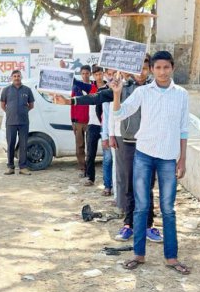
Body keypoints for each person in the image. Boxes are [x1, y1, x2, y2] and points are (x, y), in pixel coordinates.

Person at [55, 59, 158, 243]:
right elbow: (97, 97)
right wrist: (71, 101)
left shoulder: (156, 88)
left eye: (144, 69)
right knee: (127, 184)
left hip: (150, 143)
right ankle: (129, 225)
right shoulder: (123, 87)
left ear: (150, 69)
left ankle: (149, 225)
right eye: (137, 68)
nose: (141, 73)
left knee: (147, 186)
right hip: (127, 142)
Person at [111, 51, 189, 274]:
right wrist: (117, 94)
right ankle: (138, 254)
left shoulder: (181, 94)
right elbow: (120, 114)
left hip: (168, 158)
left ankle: (171, 257)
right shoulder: (143, 92)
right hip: (143, 155)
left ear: (172, 68)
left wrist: (182, 159)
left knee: (168, 208)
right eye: (158, 68)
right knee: (141, 206)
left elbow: (183, 129)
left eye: (166, 67)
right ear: (151, 70)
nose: (162, 72)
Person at [0, 70, 34, 175]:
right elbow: (2, 105)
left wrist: (23, 111)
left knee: (23, 144)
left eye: (18, 76)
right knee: (10, 144)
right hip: (10, 122)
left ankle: (23, 167)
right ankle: (10, 167)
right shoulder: (6, 90)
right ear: (11, 78)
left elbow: (31, 105)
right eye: (14, 76)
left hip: (24, 122)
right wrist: (10, 112)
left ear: (21, 77)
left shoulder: (27, 90)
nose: (16, 78)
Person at [81, 65, 103, 186]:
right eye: (96, 74)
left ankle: (109, 183)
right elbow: (78, 83)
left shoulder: (108, 86)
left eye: (100, 74)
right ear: (93, 76)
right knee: (90, 154)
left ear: (103, 74)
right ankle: (90, 178)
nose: (99, 76)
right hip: (93, 125)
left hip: (106, 125)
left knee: (109, 157)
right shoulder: (91, 87)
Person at [71, 65, 94, 177]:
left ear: (90, 74)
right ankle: (82, 168)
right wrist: (73, 121)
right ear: (81, 74)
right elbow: (72, 105)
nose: (85, 75)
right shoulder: (76, 87)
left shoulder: (94, 86)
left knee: (90, 147)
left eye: (87, 73)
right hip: (79, 122)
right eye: (83, 73)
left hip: (91, 121)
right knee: (80, 146)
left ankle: (89, 169)